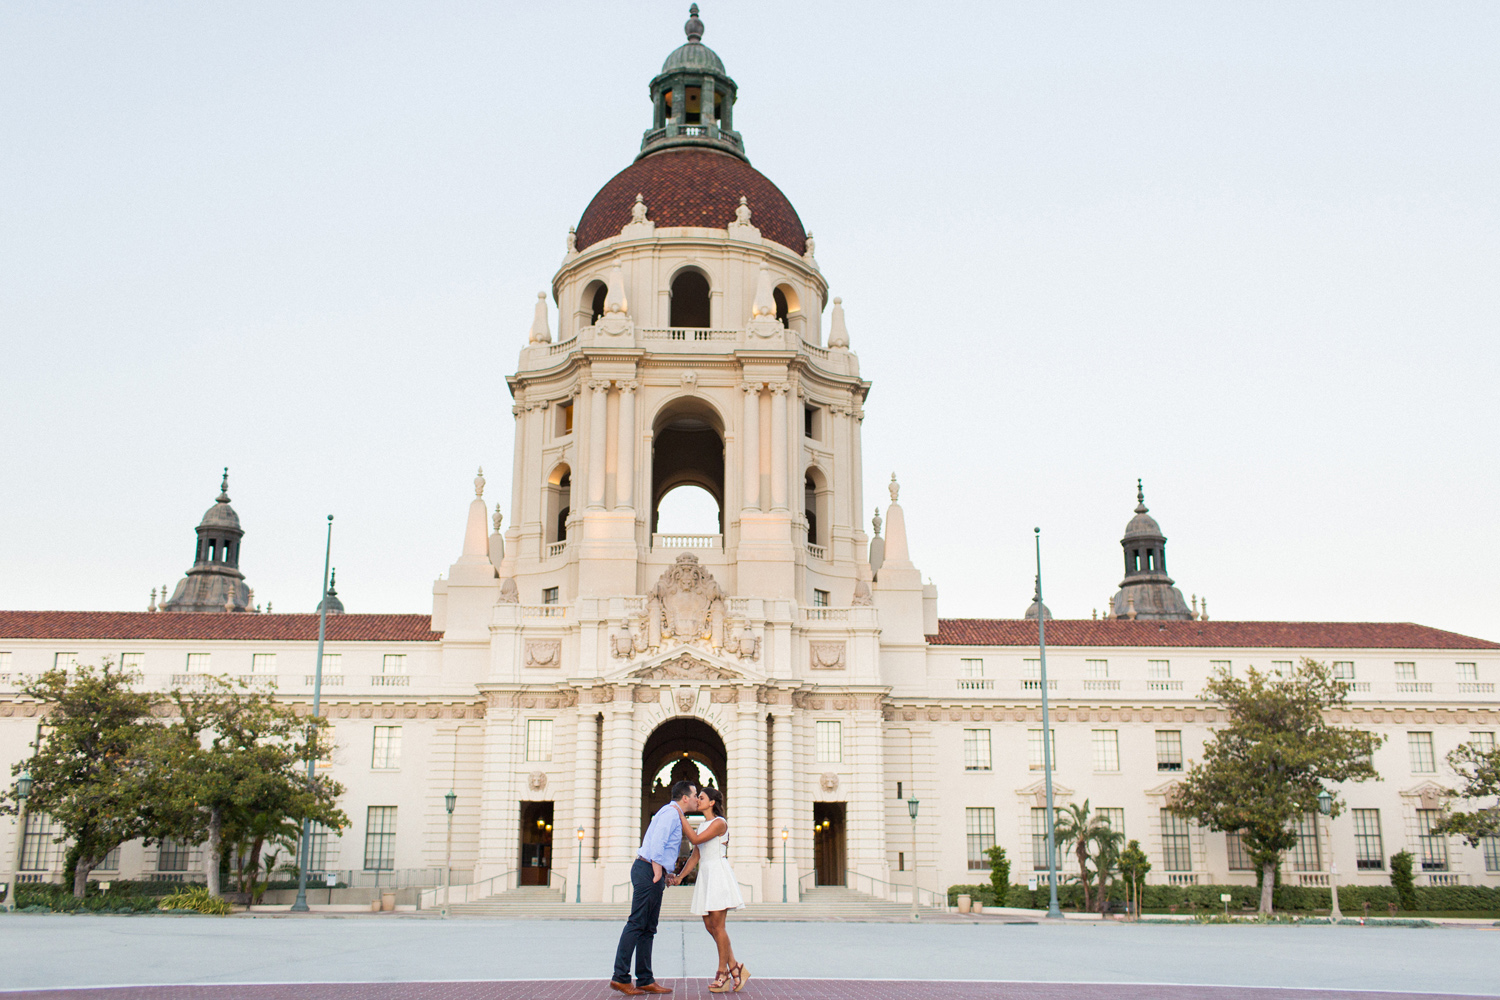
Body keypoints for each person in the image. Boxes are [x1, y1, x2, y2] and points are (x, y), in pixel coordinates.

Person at [610, 779, 697, 995]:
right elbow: (658, 843)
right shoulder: (670, 814)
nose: (697, 799)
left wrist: (664, 872)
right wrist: (658, 870)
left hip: (652, 870)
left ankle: (645, 979)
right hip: (648, 869)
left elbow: (663, 846)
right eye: (695, 795)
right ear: (685, 797)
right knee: (637, 923)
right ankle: (620, 977)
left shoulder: (673, 814)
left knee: (648, 928)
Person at [676, 787, 748, 993]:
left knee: (719, 926)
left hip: (718, 873)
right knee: (711, 926)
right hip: (706, 875)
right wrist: (681, 876)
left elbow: (696, 841)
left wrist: (681, 817)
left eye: (702, 798)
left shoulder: (719, 823)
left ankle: (723, 972)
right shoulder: (703, 826)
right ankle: (735, 965)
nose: (697, 800)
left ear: (712, 803)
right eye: (697, 797)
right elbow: (695, 855)